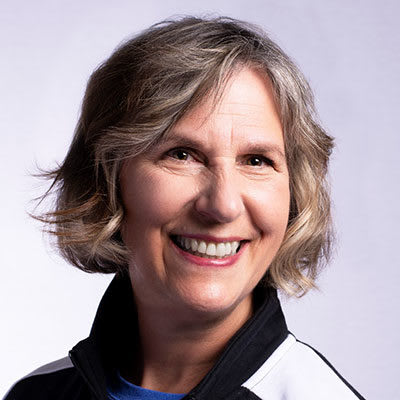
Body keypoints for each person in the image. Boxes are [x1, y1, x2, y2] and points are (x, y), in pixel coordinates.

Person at [4, 16, 365, 400]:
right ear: (106, 180)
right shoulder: (36, 394)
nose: (222, 205)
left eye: (257, 160)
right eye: (182, 154)